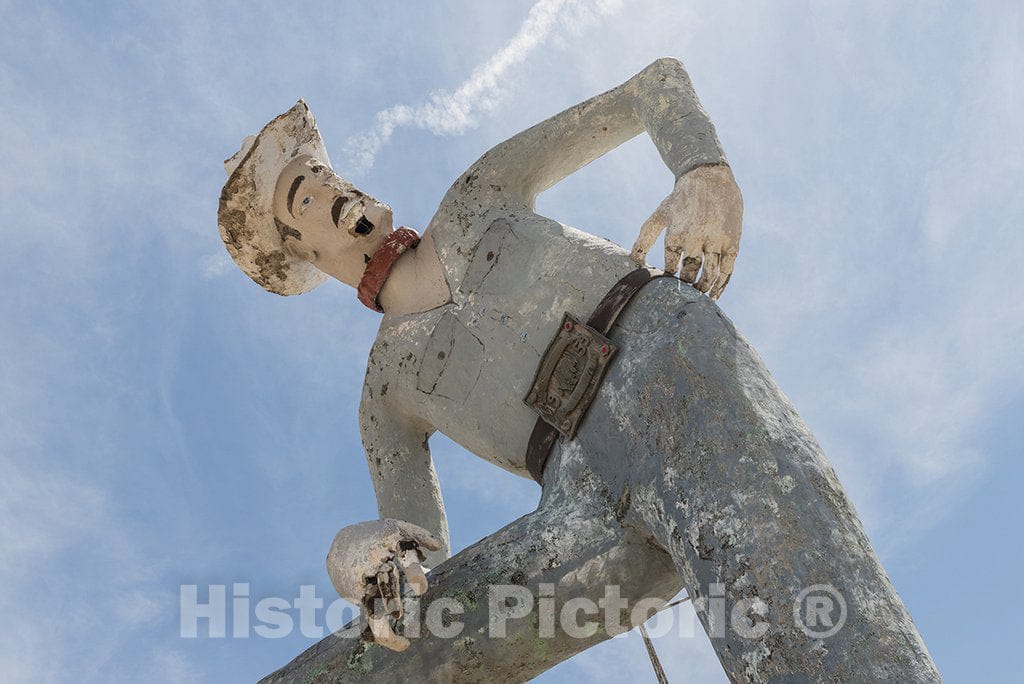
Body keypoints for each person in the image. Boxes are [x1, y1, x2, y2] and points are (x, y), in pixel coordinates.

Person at [220, 59, 938, 682]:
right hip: (573, 496)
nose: (329, 189)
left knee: (794, 597)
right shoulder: (385, 390)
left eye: (320, 174)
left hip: (660, 368)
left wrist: (701, 166)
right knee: (398, 649)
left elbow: (650, 87)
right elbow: (416, 562)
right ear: (302, 250)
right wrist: (353, 559)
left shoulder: (476, 195)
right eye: (303, 197)